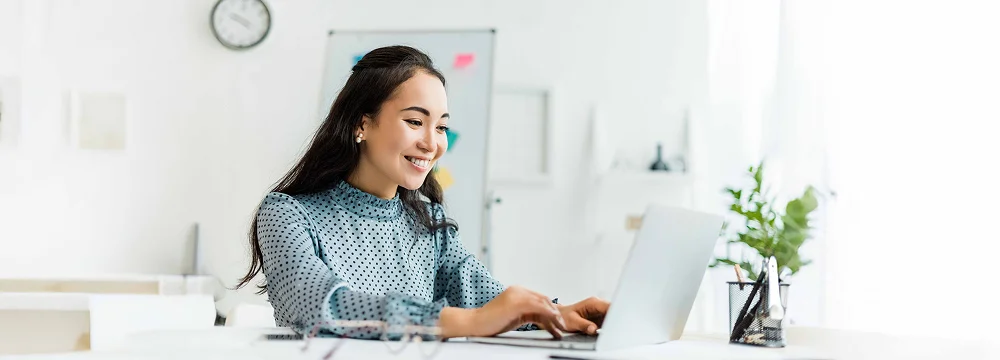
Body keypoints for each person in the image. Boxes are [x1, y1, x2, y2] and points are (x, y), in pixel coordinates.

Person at [235, 45, 609, 340]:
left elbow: (489, 299)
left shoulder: (430, 223)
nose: (432, 143)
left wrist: (557, 313)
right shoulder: (287, 214)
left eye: (442, 127)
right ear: (362, 124)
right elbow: (319, 305)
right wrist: (470, 321)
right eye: (415, 121)